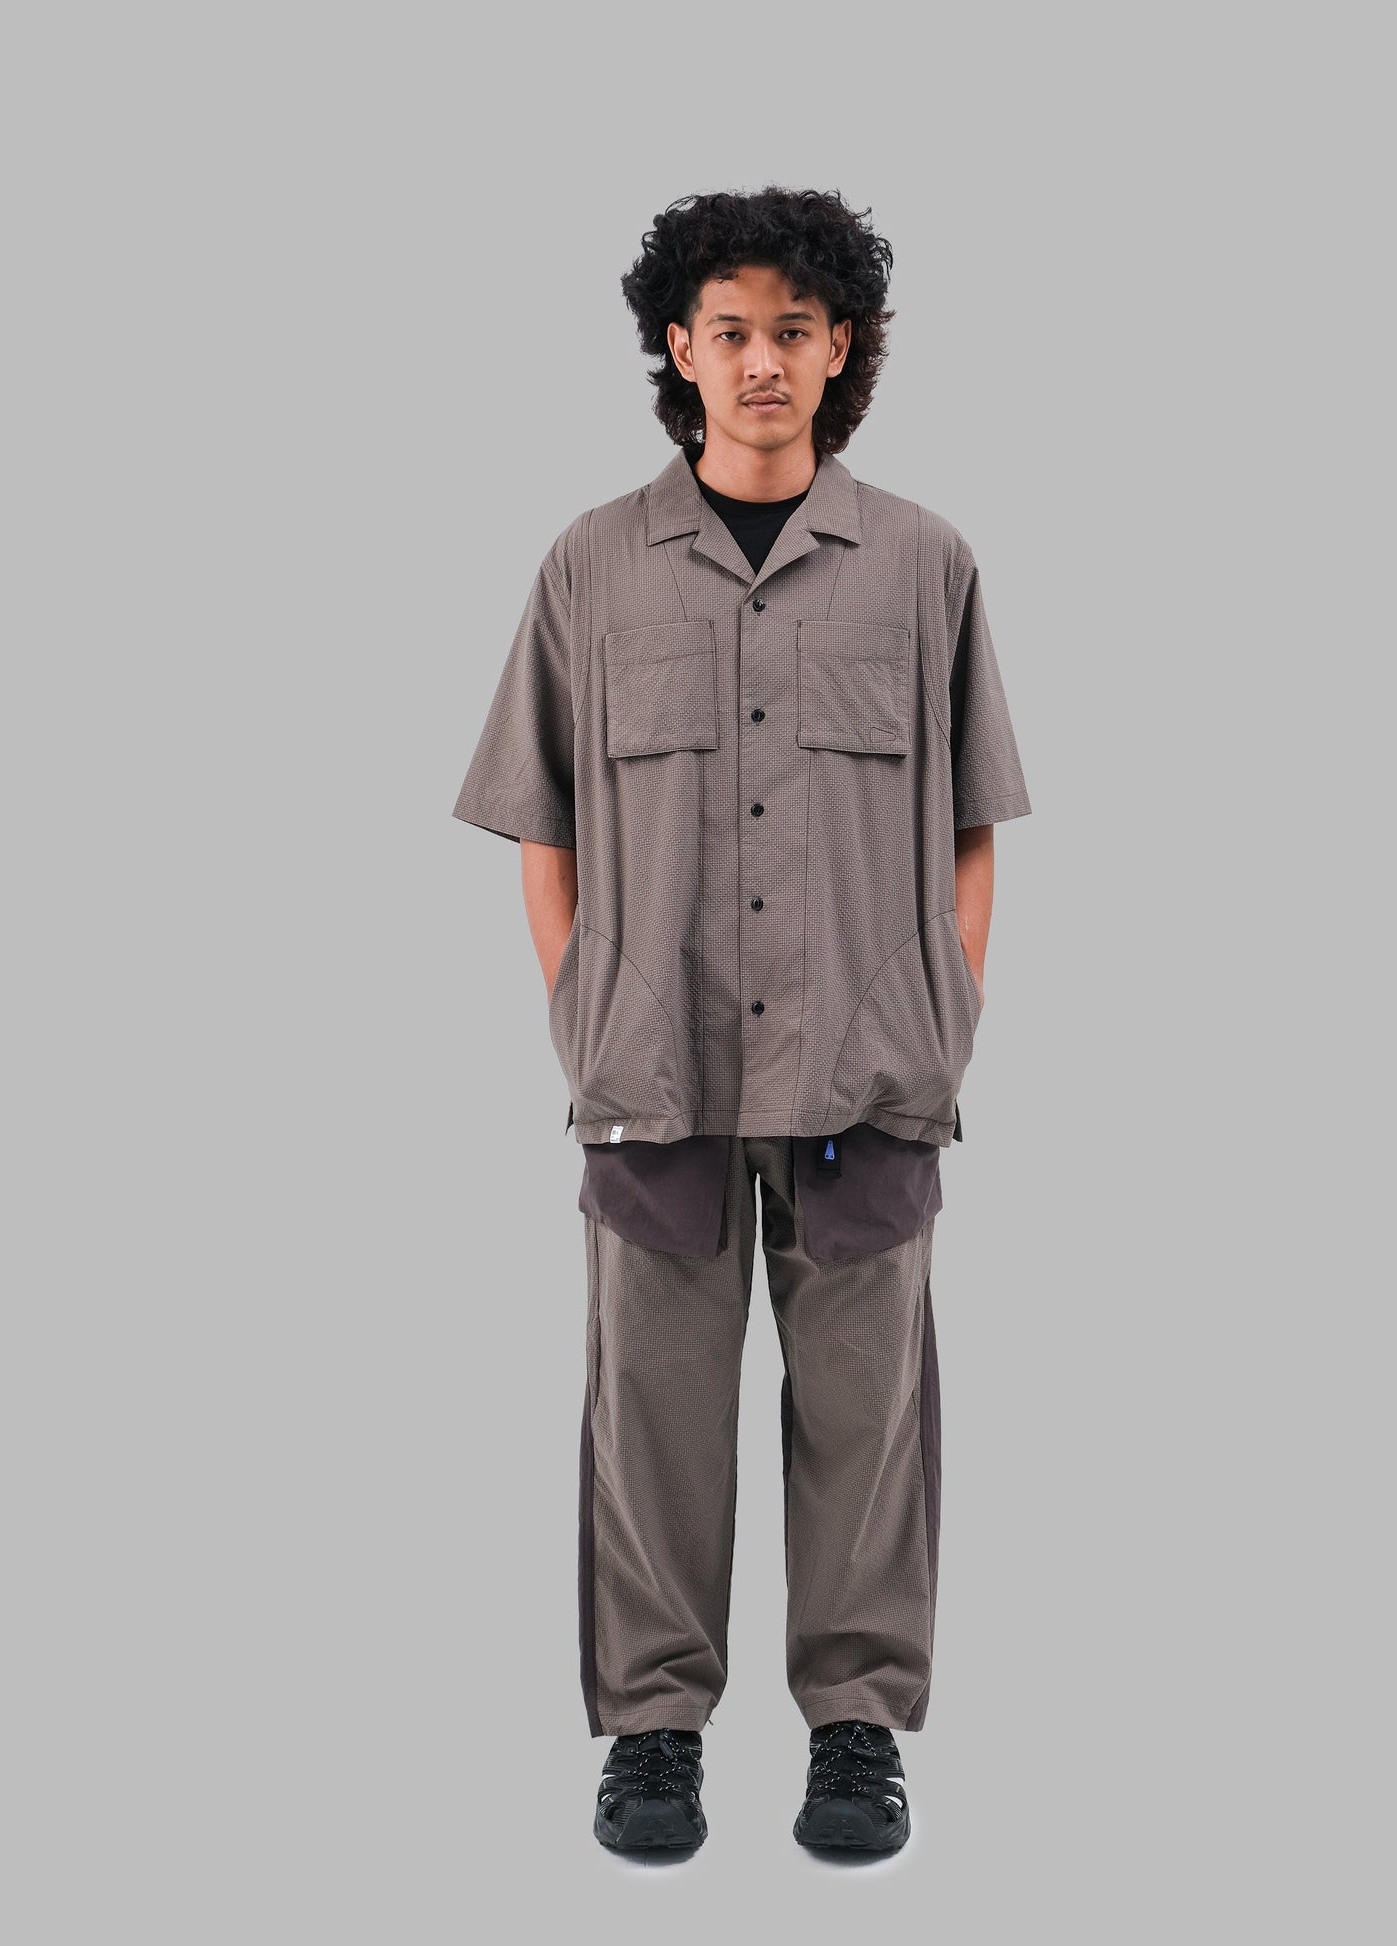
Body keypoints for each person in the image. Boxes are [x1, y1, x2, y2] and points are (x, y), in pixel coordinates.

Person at [451, 185, 1032, 1855]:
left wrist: (942, 1009)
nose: (762, 359)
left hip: (868, 1066)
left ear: (842, 347)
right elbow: (542, 819)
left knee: (868, 1415)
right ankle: (653, 1733)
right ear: (676, 348)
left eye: (793, 328)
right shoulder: (591, 565)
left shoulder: (923, 564)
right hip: (657, 1069)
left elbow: (970, 820)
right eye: (730, 330)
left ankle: (856, 1728)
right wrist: (585, 1008)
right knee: (649, 1415)